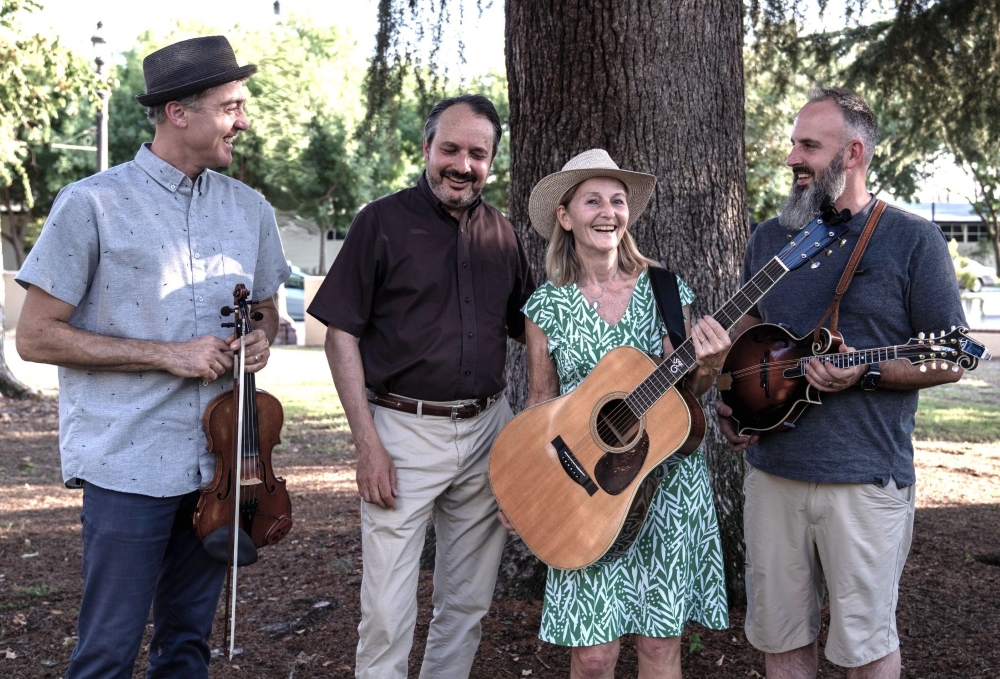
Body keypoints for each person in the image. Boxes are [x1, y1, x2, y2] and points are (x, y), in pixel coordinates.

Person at [15, 36, 290, 678]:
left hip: (220, 471)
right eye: (231, 107)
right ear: (178, 112)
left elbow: (269, 309)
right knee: (107, 652)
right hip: (127, 464)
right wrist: (166, 354)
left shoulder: (250, 210)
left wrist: (262, 336)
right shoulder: (90, 204)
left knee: (187, 647)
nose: (243, 121)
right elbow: (35, 336)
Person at [716, 87, 967, 678]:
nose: (792, 158)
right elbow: (751, 333)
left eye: (809, 146)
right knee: (780, 639)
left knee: (865, 647)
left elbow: (952, 356)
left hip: (864, 479)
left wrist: (869, 370)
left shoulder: (912, 240)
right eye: (793, 143)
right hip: (772, 475)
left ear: (852, 154)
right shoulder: (770, 238)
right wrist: (734, 402)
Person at [307, 94, 536, 679]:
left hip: (488, 431)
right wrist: (368, 445)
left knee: (466, 604)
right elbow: (340, 336)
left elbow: (532, 326)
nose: (463, 165)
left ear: (491, 162)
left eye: (477, 154)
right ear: (428, 149)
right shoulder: (379, 222)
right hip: (400, 434)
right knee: (385, 609)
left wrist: (531, 419)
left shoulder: (503, 235)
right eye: (451, 149)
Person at [500, 148, 730, 678]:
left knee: (658, 648)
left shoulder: (666, 290)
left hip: (665, 485)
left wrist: (710, 365)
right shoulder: (546, 306)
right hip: (584, 493)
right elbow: (540, 404)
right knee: (594, 656)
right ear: (565, 215)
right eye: (592, 201)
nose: (608, 212)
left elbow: (689, 392)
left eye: (618, 201)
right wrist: (522, 489)